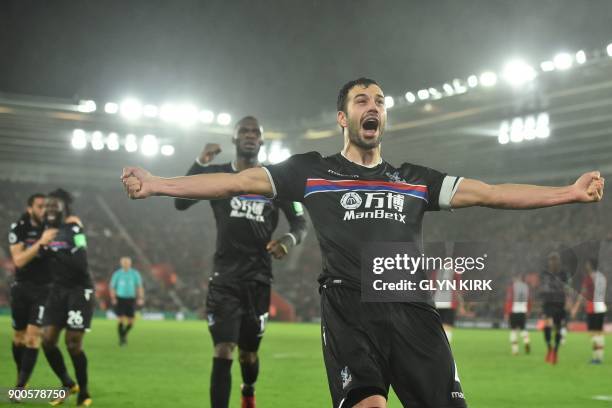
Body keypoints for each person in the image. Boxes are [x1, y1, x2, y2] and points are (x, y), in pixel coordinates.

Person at [121, 77, 605, 408]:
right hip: (349, 308)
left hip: (413, 311)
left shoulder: (415, 179)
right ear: (342, 117)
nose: (373, 106)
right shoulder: (311, 170)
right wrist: (159, 183)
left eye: (379, 101)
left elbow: (493, 194)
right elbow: (233, 184)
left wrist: (569, 192)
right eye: (362, 100)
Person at [174, 116, 307, 408]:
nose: (249, 135)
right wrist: (200, 162)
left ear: (261, 141)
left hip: (258, 279)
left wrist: (288, 241)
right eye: (243, 131)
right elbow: (181, 202)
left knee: (248, 355)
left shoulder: (275, 180)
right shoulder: (219, 174)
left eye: (255, 132)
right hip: (224, 279)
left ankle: (248, 389)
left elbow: (300, 222)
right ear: (234, 140)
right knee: (223, 349)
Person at [39, 189, 94, 406]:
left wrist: (54, 249)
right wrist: (44, 246)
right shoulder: (47, 231)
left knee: (73, 344)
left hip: (79, 290)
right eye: (48, 205)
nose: (50, 209)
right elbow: (44, 257)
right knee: (48, 341)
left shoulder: (74, 228)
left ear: (64, 208)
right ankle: (68, 384)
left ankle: (84, 392)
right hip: (58, 290)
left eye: (55, 205)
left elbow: (81, 263)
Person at [8, 193, 55, 398]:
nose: (44, 210)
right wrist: (41, 243)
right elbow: (18, 260)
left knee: (33, 336)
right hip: (21, 288)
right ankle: (21, 376)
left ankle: (19, 388)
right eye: (39, 206)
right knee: (18, 337)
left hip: (44, 289)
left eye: (46, 206)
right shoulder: (18, 228)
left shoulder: (53, 228)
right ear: (30, 208)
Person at [571, 258, 607, 364]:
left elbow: (583, 294)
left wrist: (575, 308)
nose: (586, 266)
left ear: (590, 265)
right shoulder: (602, 277)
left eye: (587, 264)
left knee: (594, 334)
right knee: (599, 333)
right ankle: (599, 357)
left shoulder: (589, 278)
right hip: (601, 306)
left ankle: (597, 358)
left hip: (593, 308)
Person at [539, 252, 571, 364]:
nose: (552, 263)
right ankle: (549, 348)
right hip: (548, 303)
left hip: (560, 303)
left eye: (554, 261)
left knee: (558, 327)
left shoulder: (564, 274)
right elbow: (542, 287)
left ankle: (555, 352)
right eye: (550, 261)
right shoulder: (545, 274)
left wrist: (568, 301)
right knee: (547, 325)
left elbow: (568, 289)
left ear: (558, 262)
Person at [110, 256, 144, 346]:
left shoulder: (135, 274)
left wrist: (140, 297)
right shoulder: (117, 274)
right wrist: (113, 298)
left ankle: (124, 334)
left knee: (131, 321)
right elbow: (112, 287)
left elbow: (139, 286)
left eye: (127, 262)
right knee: (120, 319)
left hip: (131, 299)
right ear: (121, 263)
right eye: (124, 262)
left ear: (130, 263)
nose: (125, 264)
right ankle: (122, 339)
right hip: (120, 299)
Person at [504, 274, 531, 355]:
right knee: (523, 328)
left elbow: (509, 299)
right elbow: (529, 299)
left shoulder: (512, 287)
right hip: (523, 310)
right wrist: (528, 310)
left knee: (513, 330)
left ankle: (515, 350)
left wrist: (507, 312)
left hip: (514, 311)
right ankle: (527, 341)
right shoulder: (526, 287)